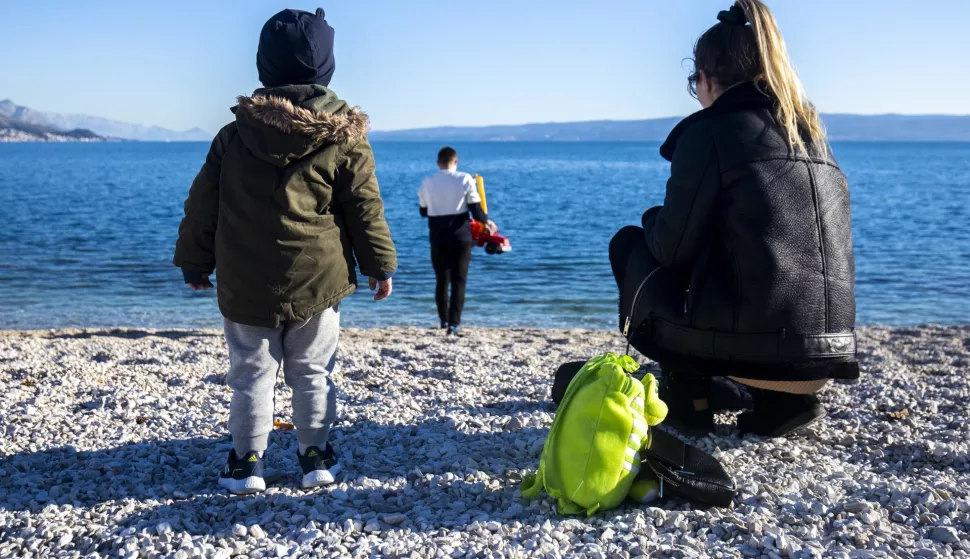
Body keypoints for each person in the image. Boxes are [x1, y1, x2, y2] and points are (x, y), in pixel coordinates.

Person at [610, 0, 858, 438]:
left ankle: (690, 395)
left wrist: (652, 220)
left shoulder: (710, 132)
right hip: (828, 352)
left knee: (630, 243)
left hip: (754, 352)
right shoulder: (813, 135)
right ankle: (783, 402)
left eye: (694, 82)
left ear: (705, 78)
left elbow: (671, 247)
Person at [173, 8, 397, 494]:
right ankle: (314, 455)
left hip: (245, 280)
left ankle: (245, 463)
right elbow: (364, 209)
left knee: (251, 373)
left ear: (263, 67)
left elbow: (202, 205)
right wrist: (381, 266)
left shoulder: (233, 136)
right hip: (319, 279)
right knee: (312, 370)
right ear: (327, 68)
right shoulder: (346, 139)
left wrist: (195, 261)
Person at [418, 147, 491, 336]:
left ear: (438, 163)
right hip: (461, 236)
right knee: (459, 280)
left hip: (437, 235)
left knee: (441, 280)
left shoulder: (427, 181)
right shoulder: (465, 178)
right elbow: (475, 208)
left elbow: (423, 211)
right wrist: (487, 222)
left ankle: (442, 320)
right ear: (455, 161)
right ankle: (454, 324)